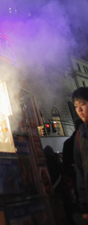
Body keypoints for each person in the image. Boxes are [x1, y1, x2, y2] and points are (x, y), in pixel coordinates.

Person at [72, 87, 88, 223]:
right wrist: (84, 207)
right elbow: (80, 173)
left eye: (82, 104)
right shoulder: (79, 136)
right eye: (76, 106)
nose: (79, 110)